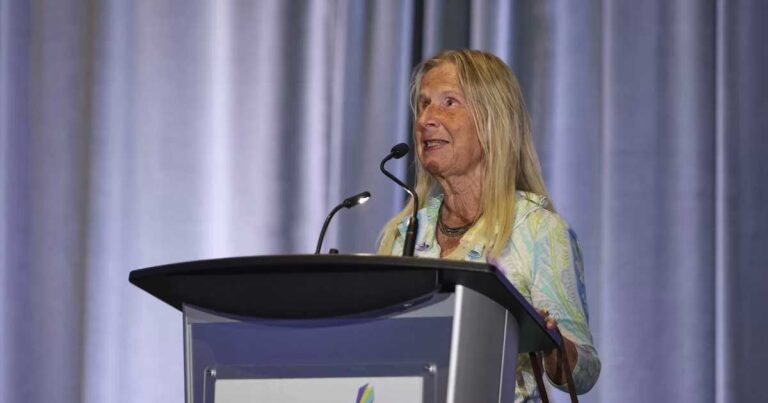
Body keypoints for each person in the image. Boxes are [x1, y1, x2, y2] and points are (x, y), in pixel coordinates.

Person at [377, 49, 600, 401]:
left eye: (449, 102)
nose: (425, 120)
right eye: (423, 104)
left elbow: (584, 371)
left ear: (491, 120)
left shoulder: (537, 231)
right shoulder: (403, 234)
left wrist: (554, 345)